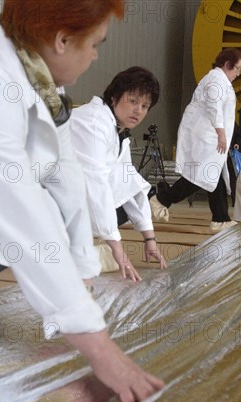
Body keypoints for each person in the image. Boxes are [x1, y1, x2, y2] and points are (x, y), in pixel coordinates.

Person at [0, 0, 164, 402]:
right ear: (63, 40)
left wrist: (84, 282)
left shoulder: (44, 88)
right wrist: (99, 349)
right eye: (95, 44)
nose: (95, 56)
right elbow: (19, 212)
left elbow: (67, 180)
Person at [70, 67, 167, 281]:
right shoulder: (94, 123)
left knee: (123, 198)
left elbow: (127, 181)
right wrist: (117, 247)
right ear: (114, 97)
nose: (138, 111)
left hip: (63, 202)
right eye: (132, 101)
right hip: (37, 200)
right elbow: (95, 184)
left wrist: (149, 237)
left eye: (144, 106)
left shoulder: (117, 131)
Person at [149, 48, 241, 232]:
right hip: (207, 135)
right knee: (200, 176)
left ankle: (220, 218)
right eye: (237, 69)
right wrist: (222, 134)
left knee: (211, 174)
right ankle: (162, 198)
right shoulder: (216, 79)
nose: (238, 74)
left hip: (209, 134)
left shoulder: (219, 80)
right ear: (227, 65)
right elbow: (214, 107)